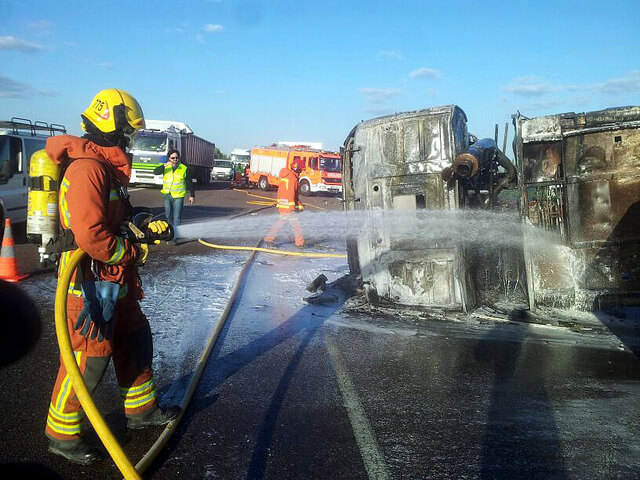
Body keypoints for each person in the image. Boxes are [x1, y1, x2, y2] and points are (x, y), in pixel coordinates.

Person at [43, 88, 177, 465]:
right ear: (114, 126)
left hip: (115, 282)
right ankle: (62, 432)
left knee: (134, 339)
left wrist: (144, 222)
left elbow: (120, 216)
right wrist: (135, 252)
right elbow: (92, 236)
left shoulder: (105, 168)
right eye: (129, 131)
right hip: (90, 284)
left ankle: (141, 411)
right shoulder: (87, 168)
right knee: (89, 356)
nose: (131, 139)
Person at [263, 161, 305, 248]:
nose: (301, 172)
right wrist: (292, 208)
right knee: (297, 226)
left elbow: (289, 194)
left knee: (280, 223)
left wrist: (299, 205)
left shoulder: (287, 175)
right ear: (298, 169)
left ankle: (268, 239)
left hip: (284, 205)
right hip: (288, 207)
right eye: (301, 170)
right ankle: (300, 244)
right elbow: (291, 194)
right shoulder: (292, 178)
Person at [153, 148, 195, 228]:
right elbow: (155, 172)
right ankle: (170, 232)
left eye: (177, 157)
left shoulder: (184, 168)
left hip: (178, 197)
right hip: (167, 195)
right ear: (169, 158)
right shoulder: (165, 167)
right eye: (173, 158)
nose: (175, 159)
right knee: (168, 216)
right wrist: (164, 165)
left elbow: (189, 182)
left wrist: (192, 195)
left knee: (177, 217)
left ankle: (176, 235)